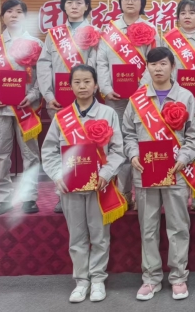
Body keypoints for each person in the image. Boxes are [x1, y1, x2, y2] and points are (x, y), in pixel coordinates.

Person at [41, 64, 126, 303]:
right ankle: (81, 281)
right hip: (71, 187)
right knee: (77, 236)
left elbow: (118, 150)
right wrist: (58, 175)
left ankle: (97, 279)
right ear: (70, 86)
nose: (82, 86)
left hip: (99, 186)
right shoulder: (62, 117)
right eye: (77, 82)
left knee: (99, 234)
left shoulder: (108, 113)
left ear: (96, 85)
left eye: (87, 81)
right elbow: (49, 151)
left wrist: (106, 174)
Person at [123, 47, 195, 301]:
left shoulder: (185, 97)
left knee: (178, 226)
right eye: (153, 64)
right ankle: (151, 278)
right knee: (148, 227)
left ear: (172, 66)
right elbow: (128, 134)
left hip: (176, 172)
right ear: (147, 67)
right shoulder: (137, 99)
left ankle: (178, 277)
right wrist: (133, 155)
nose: (158, 68)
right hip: (144, 172)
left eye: (163, 64)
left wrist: (183, 158)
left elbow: (194, 137)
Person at [0, 0, 43, 215]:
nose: (14, 15)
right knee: (1, 155)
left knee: (31, 154)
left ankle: (29, 197)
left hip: (27, 108)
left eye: (19, 11)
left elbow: (43, 76)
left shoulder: (36, 44)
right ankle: (2, 198)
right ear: (2, 17)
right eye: (9, 11)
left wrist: (32, 95)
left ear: (25, 16)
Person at [97, 0, 160, 209]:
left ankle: (143, 193)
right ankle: (122, 194)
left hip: (143, 98)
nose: (130, 2)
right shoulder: (110, 30)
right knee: (118, 144)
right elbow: (101, 62)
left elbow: (156, 61)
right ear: (120, 2)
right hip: (114, 98)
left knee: (140, 142)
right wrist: (106, 88)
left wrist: (141, 89)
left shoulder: (151, 29)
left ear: (142, 3)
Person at [37, 0, 100, 213]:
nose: (74, 6)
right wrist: (48, 95)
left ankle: (88, 186)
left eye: (79, 2)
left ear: (86, 6)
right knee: (62, 146)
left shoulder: (95, 32)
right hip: (58, 101)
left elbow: (97, 63)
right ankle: (62, 193)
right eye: (70, 3)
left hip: (87, 100)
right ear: (63, 6)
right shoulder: (54, 34)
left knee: (87, 145)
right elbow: (43, 65)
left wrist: (87, 89)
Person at [161, 0, 195, 210]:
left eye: (192, 12)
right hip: (176, 102)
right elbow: (162, 69)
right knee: (177, 143)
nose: (187, 16)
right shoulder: (168, 40)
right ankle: (177, 190)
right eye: (183, 13)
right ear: (177, 17)